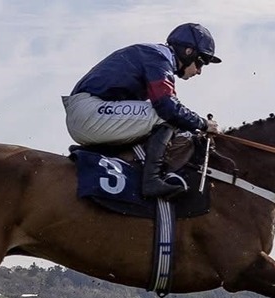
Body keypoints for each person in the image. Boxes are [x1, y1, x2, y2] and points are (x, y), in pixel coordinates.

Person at [63, 23, 222, 200]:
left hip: (89, 111)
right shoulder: (158, 58)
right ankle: (151, 181)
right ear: (188, 51)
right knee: (163, 116)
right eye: (201, 62)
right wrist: (203, 124)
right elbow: (167, 107)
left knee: (170, 122)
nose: (199, 71)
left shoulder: (156, 56)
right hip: (89, 111)